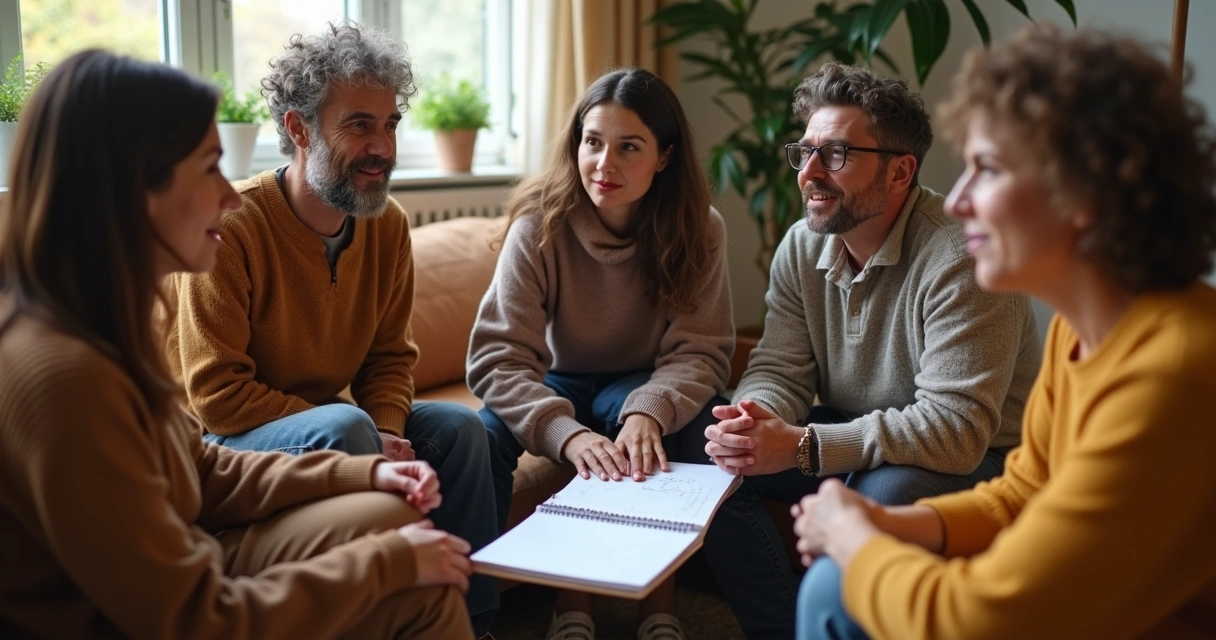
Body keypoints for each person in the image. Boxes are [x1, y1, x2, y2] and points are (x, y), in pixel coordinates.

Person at [0, 49, 474, 639]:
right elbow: (193, 618)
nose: (228, 195)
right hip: (170, 604)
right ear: (129, 187)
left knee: (405, 514)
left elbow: (197, 469)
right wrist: (385, 563)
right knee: (408, 565)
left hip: (191, 548)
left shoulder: (102, 322)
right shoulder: (63, 377)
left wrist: (363, 474)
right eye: (208, 169)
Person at [793, 25, 1216, 640]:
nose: (957, 201)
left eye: (987, 169)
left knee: (838, 584)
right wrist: (886, 524)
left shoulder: (1170, 375)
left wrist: (852, 535)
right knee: (835, 584)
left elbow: (977, 619)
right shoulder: (1082, 330)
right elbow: (1023, 493)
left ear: (1083, 194)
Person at [163, 24, 498, 636]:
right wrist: (363, 432)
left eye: (391, 124)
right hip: (226, 443)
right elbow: (216, 396)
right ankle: (373, 604)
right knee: (345, 425)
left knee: (460, 429)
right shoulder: (233, 229)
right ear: (299, 129)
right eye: (360, 125)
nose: (382, 147)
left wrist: (388, 431)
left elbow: (390, 359)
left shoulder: (387, 226)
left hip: (331, 423)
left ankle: (469, 619)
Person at [699, 62, 1042, 638]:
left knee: (887, 494)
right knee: (707, 449)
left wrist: (804, 445)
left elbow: (956, 430)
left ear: (900, 171)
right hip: (857, 429)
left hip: (973, 455)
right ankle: (785, 627)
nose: (809, 172)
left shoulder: (960, 257)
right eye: (805, 151)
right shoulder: (801, 246)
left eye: (835, 154)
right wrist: (752, 418)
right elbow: (780, 367)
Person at [466, 67, 734, 640]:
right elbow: (497, 357)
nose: (603, 164)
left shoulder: (700, 228)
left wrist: (649, 409)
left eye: (628, 147)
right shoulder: (539, 222)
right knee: (480, 437)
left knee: (661, 431)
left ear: (664, 157)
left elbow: (701, 349)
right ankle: (481, 620)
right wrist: (563, 432)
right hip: (558, 379)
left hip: (643, 378)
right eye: (592, 142)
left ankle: (657, 609)